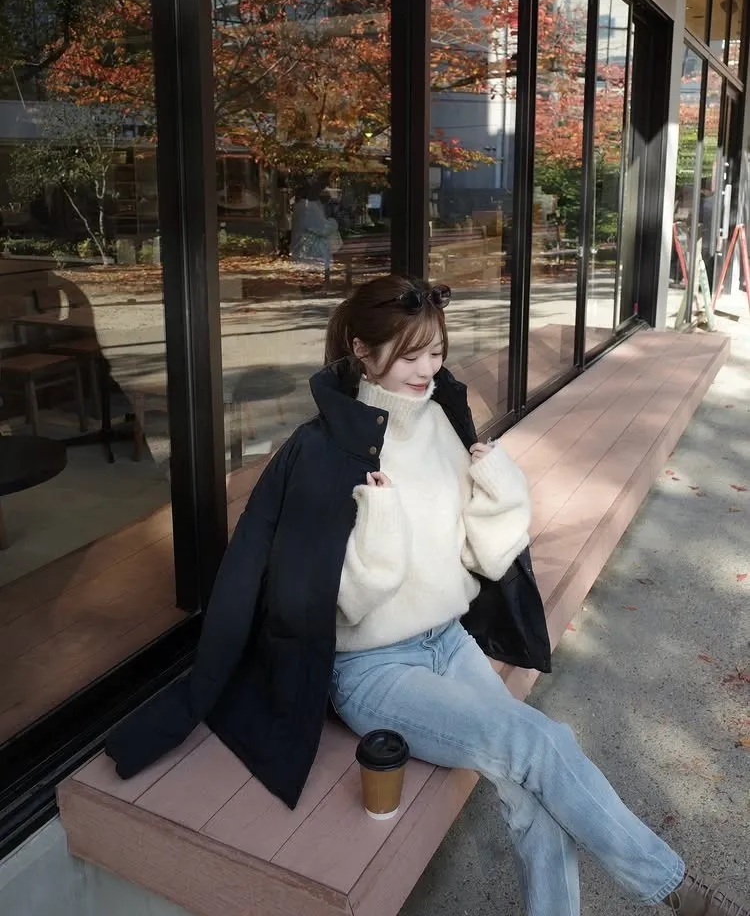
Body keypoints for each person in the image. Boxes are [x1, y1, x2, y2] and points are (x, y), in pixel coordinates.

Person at [106, 276, 748, 916]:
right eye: (410, 355)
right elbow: (334, 605)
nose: (428, 370)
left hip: (447, 641)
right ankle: (677, 891)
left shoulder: (442, 422)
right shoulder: (324, 451)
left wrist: (501, 490)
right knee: (539, 743)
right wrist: (380, 526)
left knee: (527, 781)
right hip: (370, 669)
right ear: (362, 350)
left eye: (436, 352)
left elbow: (481, 557)